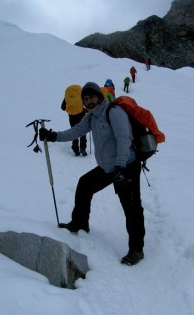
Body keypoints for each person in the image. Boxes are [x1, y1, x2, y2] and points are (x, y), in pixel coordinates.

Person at [39, 82, 145, 266]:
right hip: (108, 167)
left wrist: (120, 166)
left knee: (131, 207)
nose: (88, 101)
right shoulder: (92, 117)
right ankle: (79, 223)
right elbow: (76, 131)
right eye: (85, 99)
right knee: (85, 185)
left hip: (126, 165)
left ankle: (137, 250)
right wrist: (53, 136)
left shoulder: (114, 112)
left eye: (91, 97)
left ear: (99, 96)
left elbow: (124, 140)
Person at [61, 85, 87, 156]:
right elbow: (85, 103)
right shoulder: (80, 93)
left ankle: (75, 149)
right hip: (81, 115)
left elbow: (62, 107)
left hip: (72, 117)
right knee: (82, 130)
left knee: (74, 132)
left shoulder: (68, 96)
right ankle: (83, 148)